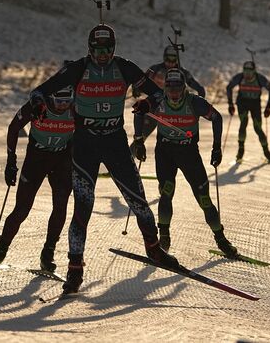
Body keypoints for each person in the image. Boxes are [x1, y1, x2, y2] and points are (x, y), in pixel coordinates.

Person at [29, 23, 179, 295]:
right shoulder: (77, 69)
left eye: (108, 49)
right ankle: (75, 270)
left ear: (114, 48)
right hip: (85, 143)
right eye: (98, 49)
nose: (103, 55)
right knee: (83, 207)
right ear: (90, 48)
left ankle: (154, 250)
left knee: (138, 199)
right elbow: (39, 91)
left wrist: (148, 104)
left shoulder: (124, 67)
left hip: (114, 141)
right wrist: (39, 105)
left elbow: (159, 94)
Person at [131, 68, 237, 256]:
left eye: (177, 89)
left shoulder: (195, 102)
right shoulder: (158, 100)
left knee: (204, 199)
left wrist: (217, 147)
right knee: (166, 193)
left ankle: (221, 239)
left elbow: (217, 117)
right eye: (170, 89)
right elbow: (139, 111)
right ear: (165, 88)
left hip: (189, 154)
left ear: (184, 88)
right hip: (165, 153)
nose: (173, 94)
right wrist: (138, 140)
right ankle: (163, 238)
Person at [0, 86, 75, 272]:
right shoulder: (37, 106)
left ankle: (48, 252)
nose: (63, 106)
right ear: (50, 98)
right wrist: (11, 161)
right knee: (22, 208)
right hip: (37, 159)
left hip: (62, 159)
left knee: (61, 204)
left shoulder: (75, 108)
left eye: (67, 101)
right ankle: (0, 250)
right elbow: (13, 128)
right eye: (59, 101)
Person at [133, 45, 206, 139]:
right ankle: (133, 152)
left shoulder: (182, 73)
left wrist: (198, 103)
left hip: (174, 110)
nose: (170, 63)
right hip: (155, 106)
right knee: (142, 135)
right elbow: (140, 81)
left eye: (173, 60)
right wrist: (136, 89)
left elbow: (199, 88)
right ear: (164, 57)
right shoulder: (155, 69)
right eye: (168, 59)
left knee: (176, 139)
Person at [226, 61, 270, 163]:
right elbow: (229, 87)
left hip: (255, 104)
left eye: (250, 71)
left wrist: (268, 107)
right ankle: (241, 150)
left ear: (254, 71)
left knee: (257, 128)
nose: (247, 74)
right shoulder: (240, 77)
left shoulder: (259, 78)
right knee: (243, 123)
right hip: (242, 103)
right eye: (245, 71)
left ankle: (266, 152)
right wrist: (230, 104)